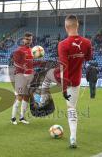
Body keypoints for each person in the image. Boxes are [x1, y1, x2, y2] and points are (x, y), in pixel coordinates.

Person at [39, 15, 93, 148]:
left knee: (46, 77)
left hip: (62, 77)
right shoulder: (87, 42)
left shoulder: (63, 44)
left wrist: (63, 89)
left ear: (66, 27)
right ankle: (73, 138)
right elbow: (89, 57)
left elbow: (63, 68)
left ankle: (42, 101)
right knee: (71, 108)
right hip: (75, 80)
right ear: (77, 26)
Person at [11, 32, 36, 125]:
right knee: (19, 97)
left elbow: (31, 63)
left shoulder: (32, 51)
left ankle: (22, 117)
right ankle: (13, 118)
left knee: (27, 97)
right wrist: (23, 67)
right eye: (27, 39)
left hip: (29, 76)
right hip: (20, 76)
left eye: (30, 39)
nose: (28, 41)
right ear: (23, 40)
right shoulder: (19, 50)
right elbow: (15, 63)